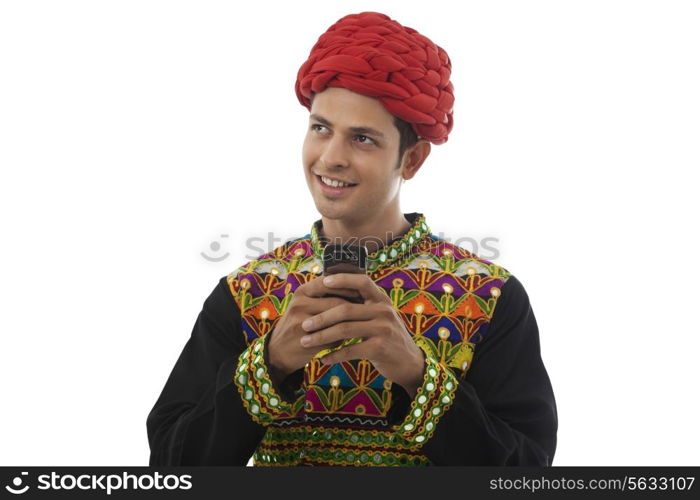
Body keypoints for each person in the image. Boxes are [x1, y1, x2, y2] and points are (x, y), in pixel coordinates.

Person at [146, 11, 557, 466]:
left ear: (413, 159)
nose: (331, 158)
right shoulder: (246, 294)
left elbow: (527, 471)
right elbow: (169, 467)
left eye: (362, 138)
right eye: (321, 128)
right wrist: (269, 364)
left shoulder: (489, 297)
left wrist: (419, 378)